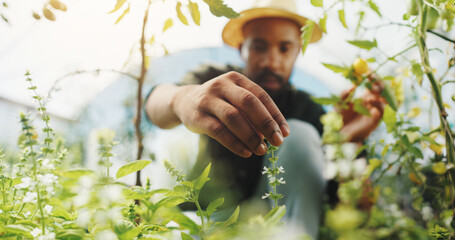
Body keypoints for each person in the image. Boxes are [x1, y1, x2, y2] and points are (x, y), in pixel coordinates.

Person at [144, 0, 384, 238]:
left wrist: (347, 141)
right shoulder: (216, 81)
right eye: (259, 47)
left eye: (284, 48)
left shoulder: (311, 112)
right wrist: (183, 98)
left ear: (298, 51)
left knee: (301, 133)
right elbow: (154, 105)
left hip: (277, 229)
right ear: (241, 49)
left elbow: (352, 209)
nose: (271, 61)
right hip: (206, 222)